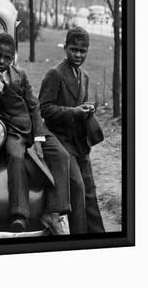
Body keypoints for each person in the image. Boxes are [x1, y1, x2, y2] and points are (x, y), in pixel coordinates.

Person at [0, 33, 70, 234]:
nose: (2, 61)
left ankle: (54, 211)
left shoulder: (21, 75)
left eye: (7, 57)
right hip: (12, 131)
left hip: (33, 130)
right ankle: (19, 214)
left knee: (61, 155)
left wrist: (39, 137)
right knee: (16, 156)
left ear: (13, 58)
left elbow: (34, 106)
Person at [39, 26, 105, 234]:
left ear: (87, 51)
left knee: (90, 192)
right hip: (60, 142)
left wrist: (87, 109)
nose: (78, 55)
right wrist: (74, 111)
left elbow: (79, 104)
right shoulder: (55, 74)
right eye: (74, 49)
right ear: (65, 48)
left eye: (82, 51)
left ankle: (99, 237)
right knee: (77, 187)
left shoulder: (83, 76)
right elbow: (45, 108)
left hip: (79, 142)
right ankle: (79, 238)